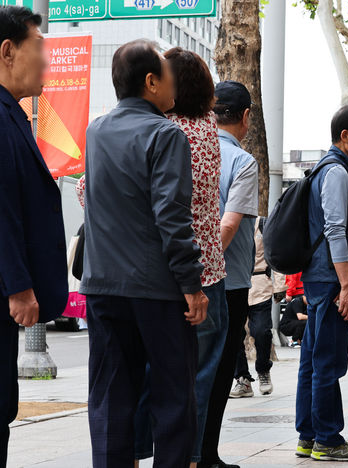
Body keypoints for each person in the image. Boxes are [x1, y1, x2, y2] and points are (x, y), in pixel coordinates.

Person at [81, 39, 208, 468]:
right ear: (151, 82)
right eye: (167, 75)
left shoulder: (95, 130)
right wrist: (192, 286)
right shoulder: (166, 133)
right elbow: (171, 217)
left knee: (111, 399)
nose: (173, 81)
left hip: (101, 287)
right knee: (173, 398)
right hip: (156, 289)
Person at [132, 47, 227, 468]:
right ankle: (187, 457)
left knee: (147, 374)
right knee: (197, 375)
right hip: (208, 270)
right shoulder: (208, 127)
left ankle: (136, 452)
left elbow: (89, 191)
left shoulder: (158, 130)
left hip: (161, 270)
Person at [0, 7, 68, 466]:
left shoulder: (13, 114)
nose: (46, 63)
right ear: (7, 51)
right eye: (38, 49)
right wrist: (19, 286)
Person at [294, 104, 348, 462]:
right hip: (329, 279)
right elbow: (335, 231)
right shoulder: (337, 172)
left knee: (311, 358)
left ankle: (308, 436)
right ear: (346, 136)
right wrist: (347, 286)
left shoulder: (326, 168)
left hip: (319, 277)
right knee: (327, 360)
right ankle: (328, 438)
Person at [199, 80, 258, 468]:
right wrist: (203, 270)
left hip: (182, 280)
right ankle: (205, 456)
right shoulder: (242, 162)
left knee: (190, 369)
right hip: (228, 282)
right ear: (246, 117)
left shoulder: (189, 148)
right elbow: (229, 225)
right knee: (219, 372)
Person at [229, 216, 286, 398]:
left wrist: (279, 286)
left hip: (260, 283)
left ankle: (263, 370)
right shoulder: (225, 220)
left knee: (261, 331)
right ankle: (242, 379)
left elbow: (275, 253)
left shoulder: (263, 224)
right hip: (233, 283)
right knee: (234, 335)